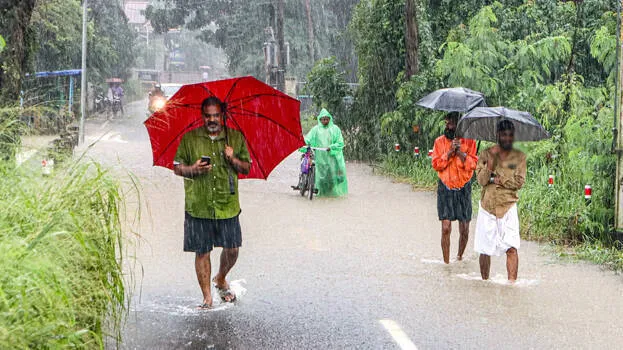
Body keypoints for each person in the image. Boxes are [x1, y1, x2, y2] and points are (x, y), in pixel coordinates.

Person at [173, 97, 251, 309]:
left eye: (216, 115)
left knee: (233, 248)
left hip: (227, 204)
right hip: (199, 205)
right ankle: (207, 297)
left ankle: (221, 277)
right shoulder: (189, 139)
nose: (212, 119)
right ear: (202, 116)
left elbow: (246, 168)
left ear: (222, 115)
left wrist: (232, 158)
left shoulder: (235, 137)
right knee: (202, 251)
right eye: (208, 116)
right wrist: (193, 170)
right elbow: (177, 167)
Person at [474, 120, 527, 282]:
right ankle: (485, 283)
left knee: (511, 248)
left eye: (510, 135)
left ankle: (512, 285)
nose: (507, 138)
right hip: (487, 206)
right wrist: (489, 167)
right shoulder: (485, 154)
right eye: (504, 135)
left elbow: (519, 182)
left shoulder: (519, 157)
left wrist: (500, 179)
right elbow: (481, 180)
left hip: (508, 206)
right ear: (497, 135)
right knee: (484, 249)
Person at [432, 112, 478, 264]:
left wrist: (459, 152)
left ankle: (459, 257)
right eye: (447, 123)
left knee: (464, 229)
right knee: (446, 228)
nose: (448, 126)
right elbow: (436, 164)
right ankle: (446, 263)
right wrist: (450, 152)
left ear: (459, 125)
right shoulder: (439, 142)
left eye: (451, 123)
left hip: (463, 188)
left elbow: (473, 165)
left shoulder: (470, 142)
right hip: (445, 188)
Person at [299, 108, 348, 197]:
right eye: (323, 119)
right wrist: (303, 143)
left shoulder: (335, 129)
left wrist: (331, 147)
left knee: (332, 177)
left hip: (332, 158)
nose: (325, 121)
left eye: (326, 119)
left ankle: (331, 194)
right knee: (321, 177)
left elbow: (340, 143)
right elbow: (308, 138)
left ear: (329, 119)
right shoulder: (315, 129)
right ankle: (321, 193)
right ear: (320, 119)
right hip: (320, 158)